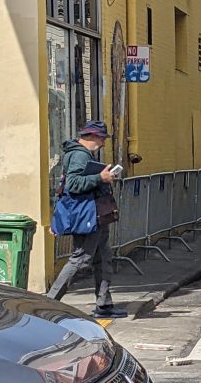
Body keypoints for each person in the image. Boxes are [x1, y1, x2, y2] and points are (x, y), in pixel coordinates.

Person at [47, 120, 125, 319]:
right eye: (101, 138)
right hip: (87, 215)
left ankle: (104, 304)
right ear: (90, 136)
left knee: (102, 258)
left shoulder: (81, 154)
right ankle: (49, 303)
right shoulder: (80, 155)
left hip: (95, 215)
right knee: (80, 259)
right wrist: (101, 178)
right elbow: (73, 184)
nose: (103, 143)